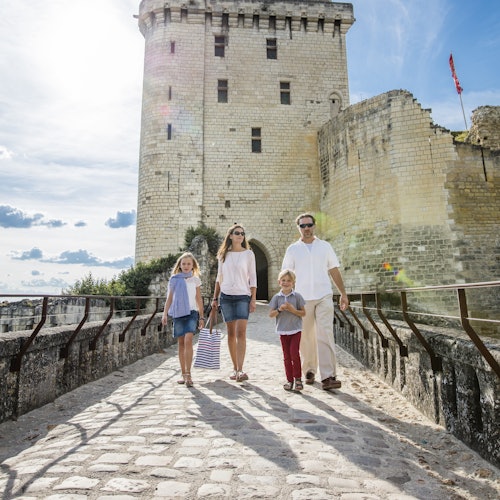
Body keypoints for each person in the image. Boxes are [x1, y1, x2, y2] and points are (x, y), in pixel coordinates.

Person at [281, 213, 349, 391]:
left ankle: (328, 376)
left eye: (309, 225)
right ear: (299, 228)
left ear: (314, 226)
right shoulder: (292, 250)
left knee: (325, 333)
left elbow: (334, 270)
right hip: (301, 299)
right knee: (306, 336)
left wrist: (343, 293)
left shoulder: (325, 246)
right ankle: (309, 369)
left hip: (323, 295)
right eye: (303, 226)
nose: (307, 228)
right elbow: (285, 276)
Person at [211, 224, 257, 382]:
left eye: (242, 233)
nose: (240, 236)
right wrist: (214, 298)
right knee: (230, 333)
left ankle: (241, 369)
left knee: (241, 333)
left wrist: (253, 299)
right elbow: (219, 277)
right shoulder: (223, 254)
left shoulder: (249, 254)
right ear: (230, 235)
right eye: (237, 233)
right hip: (226, 297)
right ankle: (234, 368)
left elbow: (253, 277)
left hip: (243, 296)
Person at [161, 252, 205, 388]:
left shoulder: (195, 280)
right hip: (179, 314)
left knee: (188, 341)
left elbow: (199, 299)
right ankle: (183, 373)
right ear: (180, 265)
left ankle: (189, 373)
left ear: (193, 266)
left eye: (189, 264)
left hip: (192, 313)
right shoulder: (174, 279)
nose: (186, 266)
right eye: (184, 263)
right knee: (181, 344)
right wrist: (164, 314)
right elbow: (170, 298)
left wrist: (201, 317)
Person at [269, 269, 306, 392]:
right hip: (283, 330)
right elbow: (271, 314)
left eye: (289, 281)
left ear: (293, 283)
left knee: (294, 353)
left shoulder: (297, 296)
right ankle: (289, 380)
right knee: (286, 356)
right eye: (283, 280)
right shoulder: (276, 298)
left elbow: (303, 313)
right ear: (279, 282)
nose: (286, 283)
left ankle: (298, 379)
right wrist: (280, 310)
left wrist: (292, 310)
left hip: (295, 329)